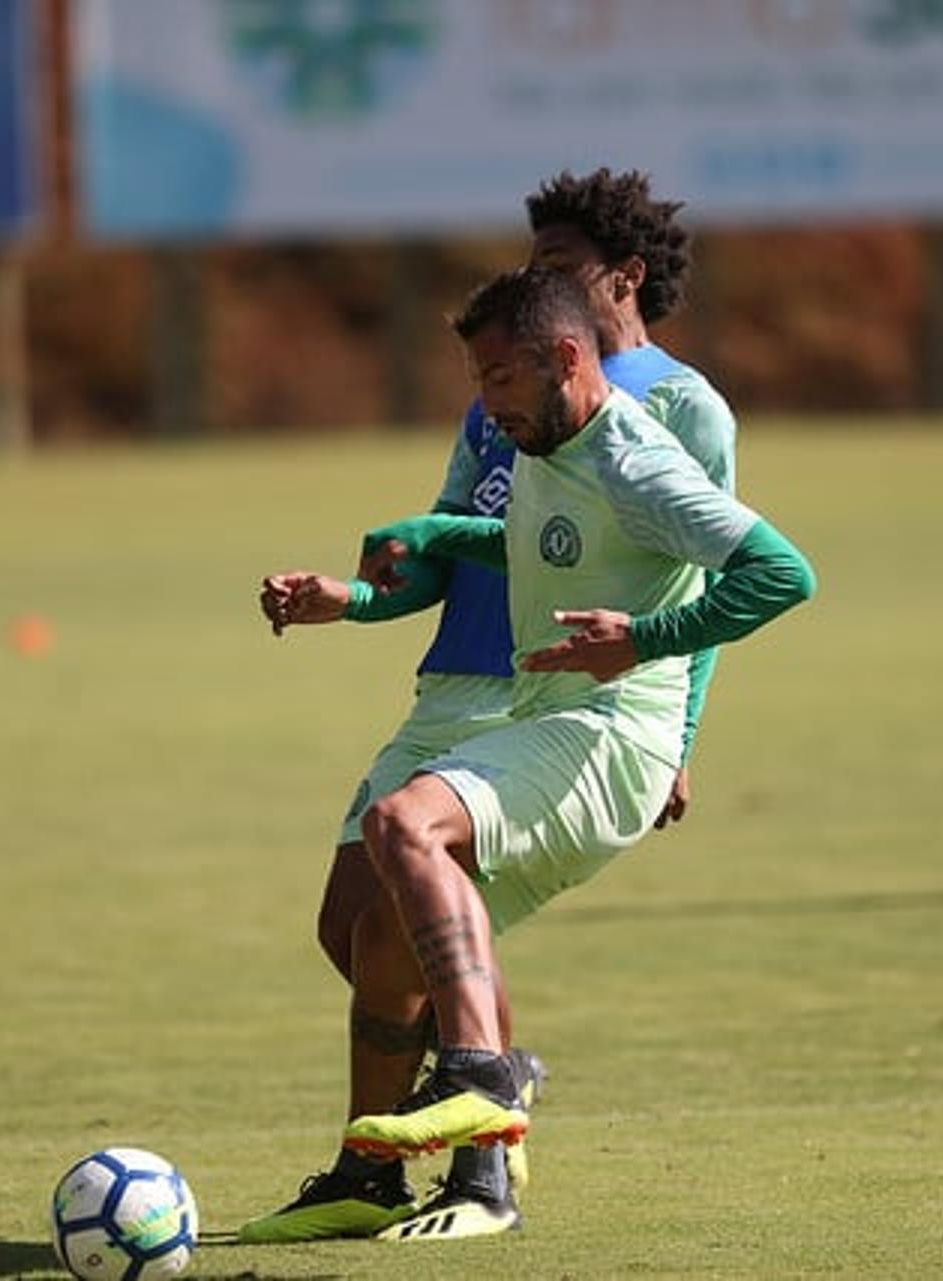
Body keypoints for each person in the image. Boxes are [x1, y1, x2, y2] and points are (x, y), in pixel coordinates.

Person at [241, 170, 740, 1244]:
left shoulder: (676, 405)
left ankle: (480, 1158)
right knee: (354, 927)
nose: (534, 282)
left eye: (556, 266)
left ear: (623, 279)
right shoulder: (498, 393)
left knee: (415, 912)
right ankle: (444, 1117)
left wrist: (680, 738)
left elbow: (708, 578)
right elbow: (457, 535)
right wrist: (363, 600)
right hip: (453, 677)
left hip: (546, 693)